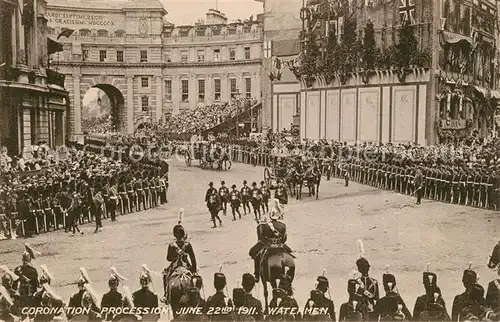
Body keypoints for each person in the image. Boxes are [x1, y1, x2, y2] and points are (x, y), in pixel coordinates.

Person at [249, 199, 292, 283]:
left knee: (256, 256)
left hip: (268, 246)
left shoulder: (265, 226)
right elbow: (284, 239)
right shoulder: (283, 225)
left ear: (270, 216)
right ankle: (288, 273)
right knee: (289, 253)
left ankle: (257, 275)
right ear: (278, 216)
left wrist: (267, 242)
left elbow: (262, 238)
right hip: (279, 246)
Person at [165, 209, 197, 281]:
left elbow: (168, 258)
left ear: (174, 235)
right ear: (183, 234)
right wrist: (194, 270)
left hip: (174, 267)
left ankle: (166, 292)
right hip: (186, 266)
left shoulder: (171, 245)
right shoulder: (187, 245)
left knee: (165, 277)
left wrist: (175, 258)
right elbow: (193, 259)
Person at [13, 244, 40, 318]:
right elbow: (37, 284)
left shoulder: (17, 269)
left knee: (22, 313)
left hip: (21, 293)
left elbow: (14, 283)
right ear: (30, 259)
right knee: (32, 313)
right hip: (31, 294)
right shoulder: (33, 270)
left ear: (22, 259)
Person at [355, 240, 379, 320]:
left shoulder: (356, 281)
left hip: (359, 311)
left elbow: (354, 297)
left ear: (359, 269)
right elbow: (376, 299)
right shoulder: (374, 282)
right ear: (368, 268)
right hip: (372, 310)